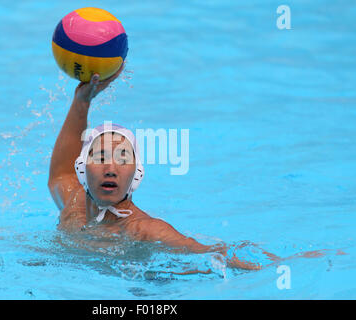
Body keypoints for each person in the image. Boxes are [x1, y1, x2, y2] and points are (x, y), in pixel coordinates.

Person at [48, 64, 324, 272]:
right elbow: (60, 173)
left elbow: (204, 251)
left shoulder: (143, 230)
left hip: (148, 286)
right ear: (83, 170)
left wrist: (286, 265)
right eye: (100, 157)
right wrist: (81, 101)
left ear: (136, 175)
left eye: (123, 158)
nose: (111, 168)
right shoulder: (73, 205)